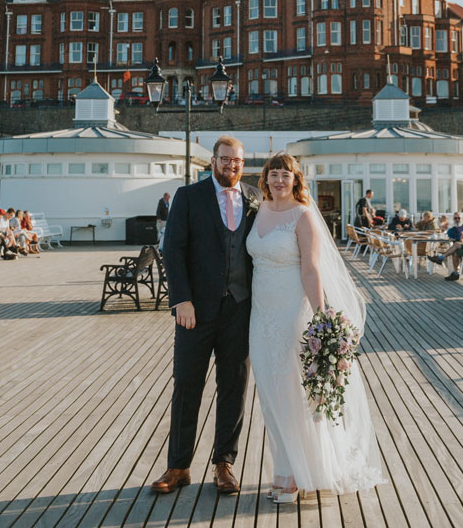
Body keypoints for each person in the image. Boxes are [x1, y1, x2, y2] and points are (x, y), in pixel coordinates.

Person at [247, 151, 384, 503]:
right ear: (265, 179)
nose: (279, 180)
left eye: (285, 175)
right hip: (260, 315)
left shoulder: (303, 217)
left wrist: (321, 317)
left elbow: (311, 270)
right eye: (273, 173)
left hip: (292, 312)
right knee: (270, 394)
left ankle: (293, 475)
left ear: (296, 180)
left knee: (291, 393)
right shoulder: (259, 210)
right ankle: (286, 467)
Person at [150, 136, 257, 498]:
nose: (232, 166)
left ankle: (224, 464)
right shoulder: (189, 196)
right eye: (226, 159)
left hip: (240, 309)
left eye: (238, 161)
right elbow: (173, 250)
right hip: (194, 311)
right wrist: (181, 300)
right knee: (187, 385)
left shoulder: (255, 198)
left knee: (234, 387)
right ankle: (178, 466)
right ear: (213, 160)